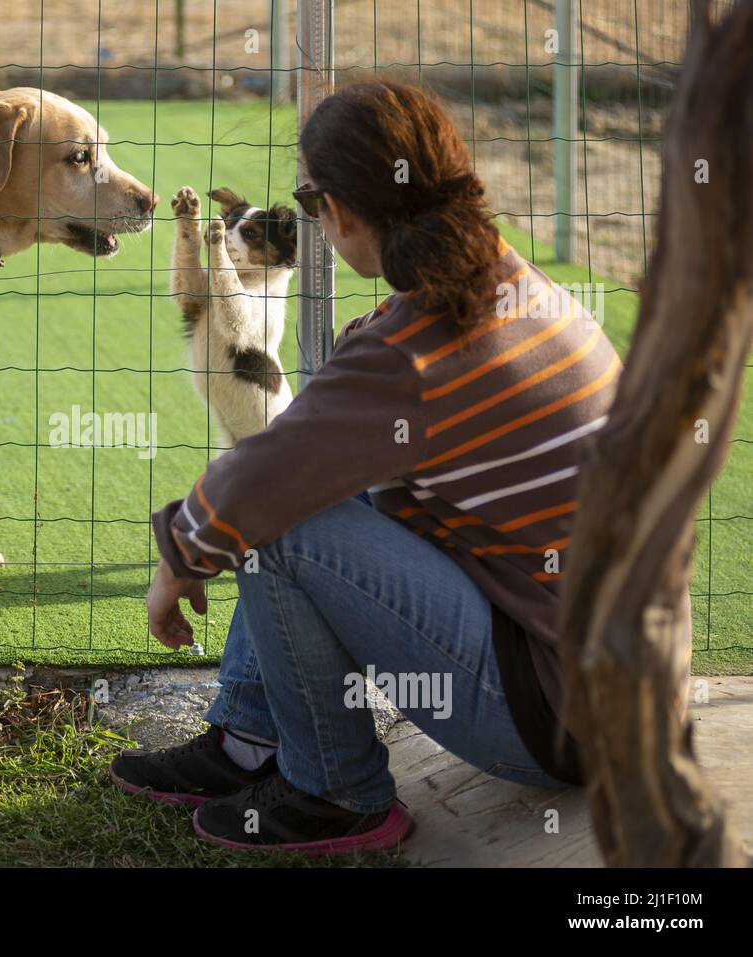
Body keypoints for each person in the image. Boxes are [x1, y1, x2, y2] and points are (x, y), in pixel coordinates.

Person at [110, 80, 631, 856]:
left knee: (282, 519)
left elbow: (265, 479)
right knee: (321, 486)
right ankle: (251, 740)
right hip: (618, 685)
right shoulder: (518, 283)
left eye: (310, 197)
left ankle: (334, 789)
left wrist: (176, 557)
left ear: (341, 211)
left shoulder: (409, 350)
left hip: (555, 717)